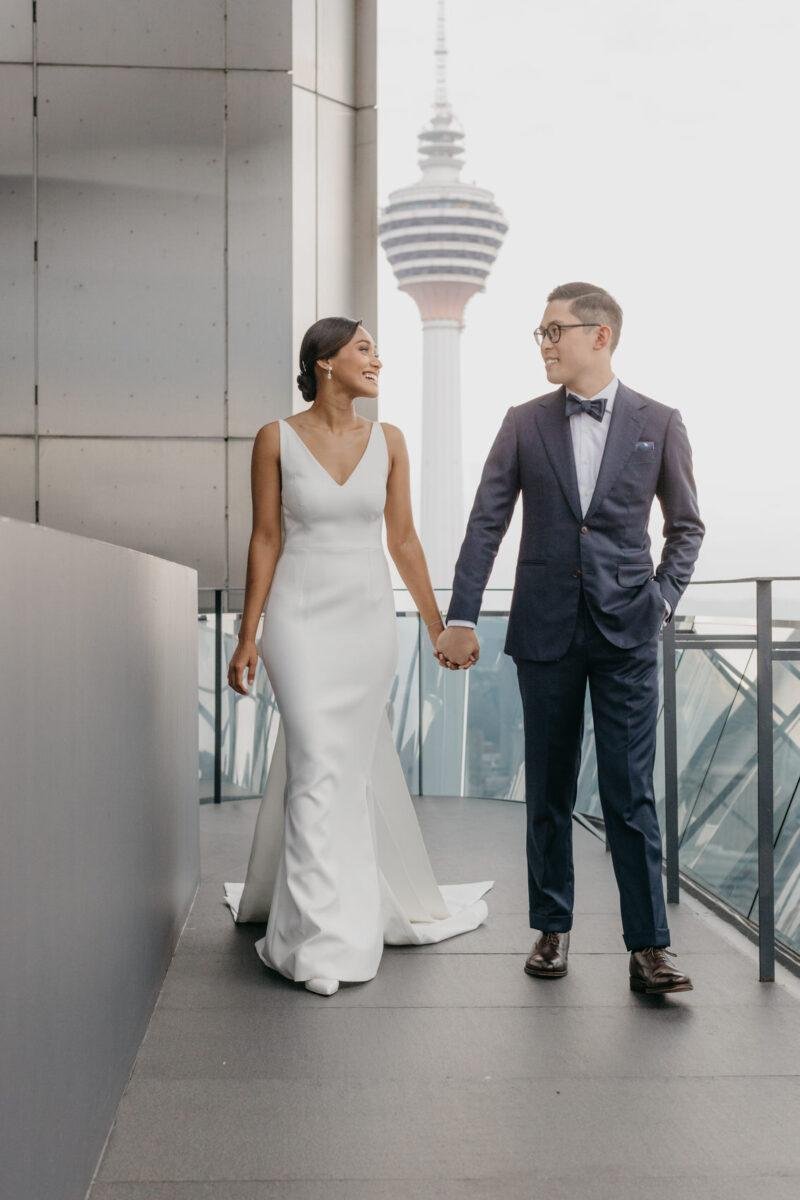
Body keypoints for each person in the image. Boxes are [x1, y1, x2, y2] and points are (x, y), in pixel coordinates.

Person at [435, 282, 705, 995]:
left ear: (600, 336)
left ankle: (649, 949)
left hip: (628, 636)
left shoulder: (660, 421)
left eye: (556, 330)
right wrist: (461, 615)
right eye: (541, 333)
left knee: (629, 793)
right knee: (549, 790)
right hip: (545, 630)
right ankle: (551, 931)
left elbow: (686, 528)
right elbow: (485, 524)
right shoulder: (523, 422)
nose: (545, 343)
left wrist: (662, 603)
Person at [223, 317, 492, 996]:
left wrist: (438, 625)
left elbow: (403, 542)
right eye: (364, 349)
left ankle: (338, 922)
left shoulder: (390, 442)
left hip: (368, 622)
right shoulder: (274, 439)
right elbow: (264, 540)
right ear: (324, 363)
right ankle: (316, 943)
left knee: (342, 776)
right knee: (314, 764)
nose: (377, 360)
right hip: (298, 620)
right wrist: (247, 634)